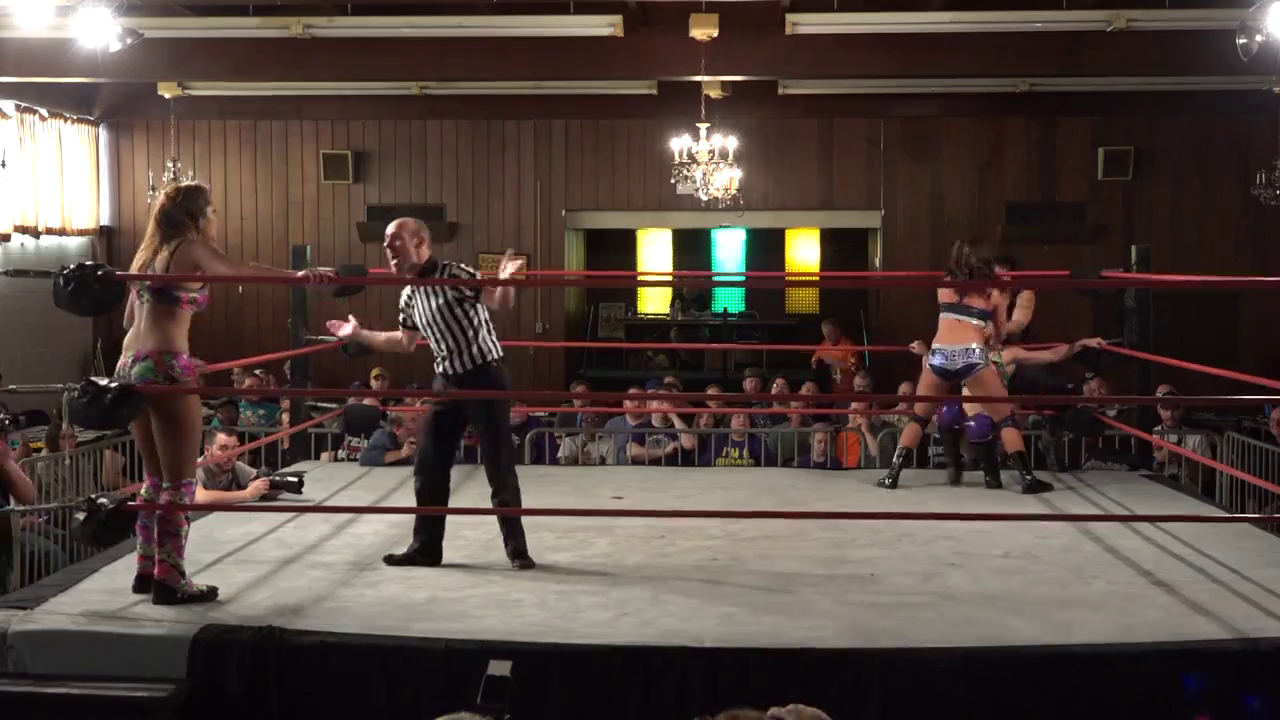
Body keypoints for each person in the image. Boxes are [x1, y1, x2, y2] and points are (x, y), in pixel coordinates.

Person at [116, 181, 333, 605]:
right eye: (212, 211)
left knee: (154, 479)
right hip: (165, 366)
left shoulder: (146, 254)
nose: (215, 217)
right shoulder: (189, 247)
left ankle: (146, 569)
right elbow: (237, 270)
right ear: (197, 216)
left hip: (129, 364)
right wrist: (296, 276)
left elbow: (129, 320)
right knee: (179, 483)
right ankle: (171, 579)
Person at [326, 217, 535, 570]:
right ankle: (425, 548)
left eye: (395, 240)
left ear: (420, 241)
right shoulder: (409, 295)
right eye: (385, 242)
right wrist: (360, 334)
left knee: (498, 464)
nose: (387, 248)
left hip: (484, 376)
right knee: (428, 463)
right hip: (446, 382)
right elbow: (404, 343)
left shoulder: (455, 274)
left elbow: (499, 303)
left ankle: (518, 550)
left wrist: (504, 281)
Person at [876, 239, 1053, 494]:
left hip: (939, 354)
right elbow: (1000, 332)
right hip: (971, 354)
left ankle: (892, 475)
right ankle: (1027, 479)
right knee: (1005, 419)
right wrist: (992, 335)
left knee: (920, 417)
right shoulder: (995, 291)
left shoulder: (945, 284)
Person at [910, 335, 1106, 488]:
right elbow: (933, 374)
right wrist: (925, 353)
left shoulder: (1005, 356)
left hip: (991, 423)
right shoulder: (963, 354)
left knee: (983, 423)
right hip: (966, 423)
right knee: (948, 411)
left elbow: (1050, 355)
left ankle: (994, 471)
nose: (986, 332)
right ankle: (954, 465)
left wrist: (1079, 344)